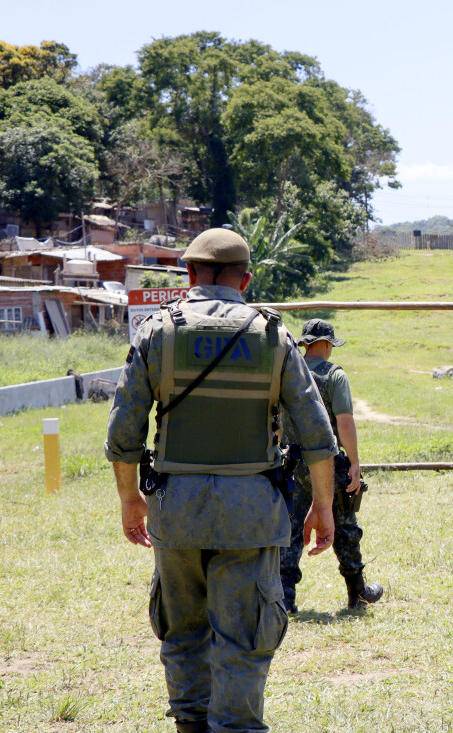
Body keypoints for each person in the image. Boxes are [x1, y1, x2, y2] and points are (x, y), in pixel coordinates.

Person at [105, 228, 339, 733]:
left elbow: (124, 432)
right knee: (246, 635)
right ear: (246, 279)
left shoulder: (156, 330)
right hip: (251, 510)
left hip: (176, 507)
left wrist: (130, 499)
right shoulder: (273, 335)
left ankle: (190, 725)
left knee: (182, 631)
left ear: (188, 274)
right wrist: (323, 504)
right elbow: (317, 433)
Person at [280, 318, 383, 613]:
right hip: (326, 462)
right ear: (327, 344)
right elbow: (345, 421)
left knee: (289, 527)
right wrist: (354, 462)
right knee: (344, 524)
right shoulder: (334, 375)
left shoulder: (289, 372)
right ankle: (357, 591)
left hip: (290, 461)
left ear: (305, 343)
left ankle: (285, 597)